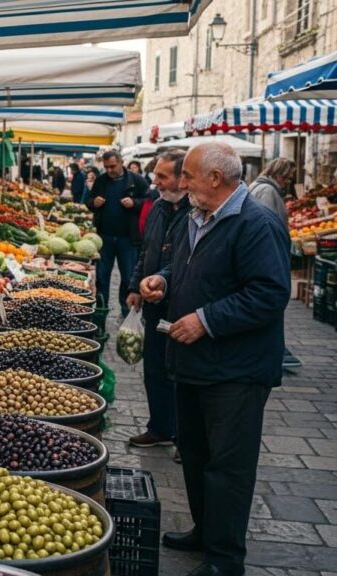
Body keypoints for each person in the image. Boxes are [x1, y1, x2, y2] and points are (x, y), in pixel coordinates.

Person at [139, 142, 290, 576]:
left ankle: (225, 559)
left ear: (215, 179)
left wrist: (206, 320)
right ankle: (204, 531)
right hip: (194, 362)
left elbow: (269, 293)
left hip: (235, 369)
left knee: (228, 465)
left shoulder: (255, 224)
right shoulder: (197, 216)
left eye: (186, 175)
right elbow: (190, 271)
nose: (180, 183)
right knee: (196, 451)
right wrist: (163, 281)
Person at [124, 150, 191, 458]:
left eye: (163, 176)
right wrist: (135, 285)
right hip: (152, 303)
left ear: (183, 178)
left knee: (179, 373)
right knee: (154, 368)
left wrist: (161, 282)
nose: (156, 181)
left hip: (182, 308)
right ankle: (160, 429)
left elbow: (187, 262)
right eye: (156, 175)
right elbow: (145, 250)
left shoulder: (196, 212)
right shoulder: (158, 207)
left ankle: (184, 438)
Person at [85, 150, 150, 313]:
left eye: (112, 166)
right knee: (102, 276)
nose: (109, 170)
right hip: (104, 237)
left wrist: (135, 203)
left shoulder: (137, 181)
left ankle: (126, 308)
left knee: (128, 276)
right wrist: (94, 203)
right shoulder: (101, 181)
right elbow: (88, 201)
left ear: (121, 162)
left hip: (127, 238)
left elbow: (149, 203)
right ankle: (102, 307)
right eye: (106, 167)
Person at [248, 157, 295, 228]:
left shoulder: (258, 185)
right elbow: (267, 223)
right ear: (278, 175)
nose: (288, 182)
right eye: (287, 177)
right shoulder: (267, 190)